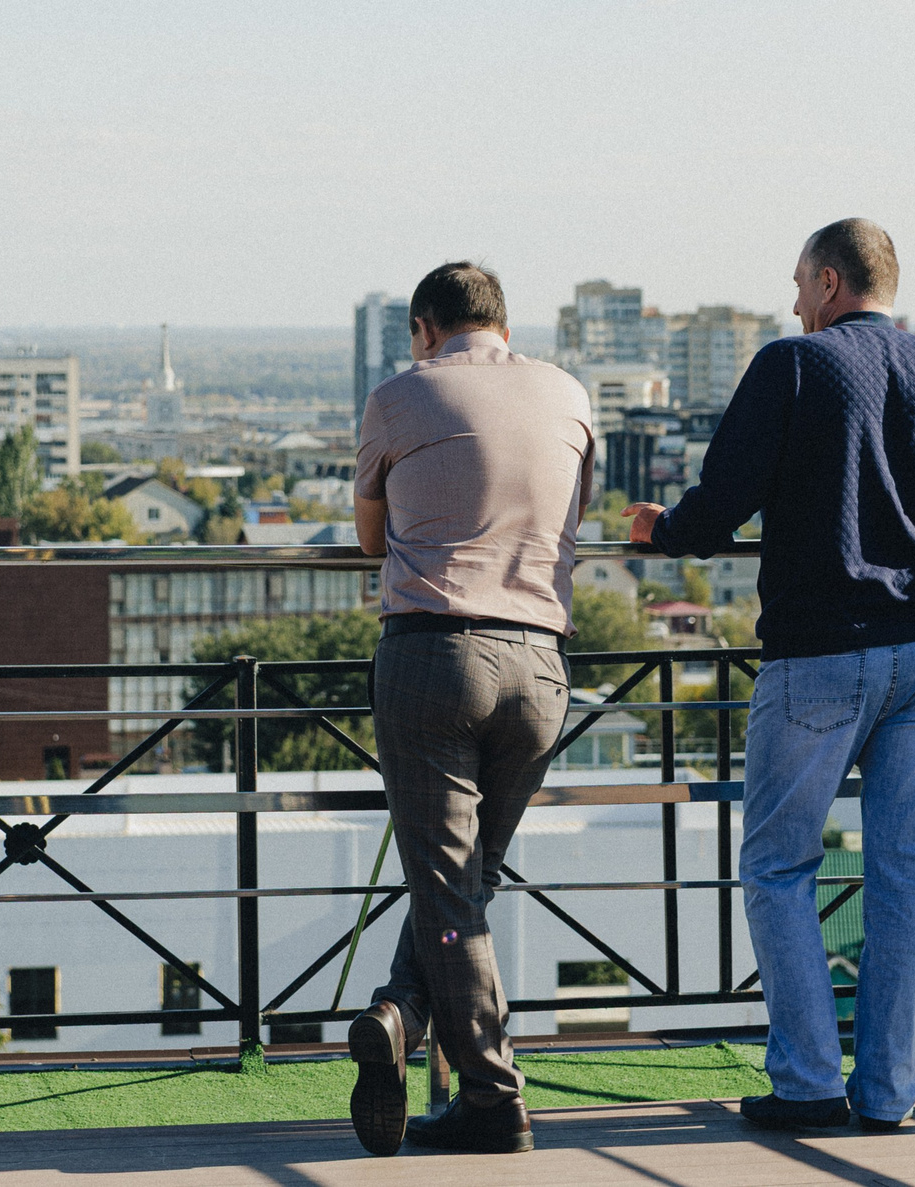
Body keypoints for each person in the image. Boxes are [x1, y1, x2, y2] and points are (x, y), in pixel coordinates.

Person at [627, 218, 915, 1135]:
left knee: (776, 864)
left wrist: (663, 530)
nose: (795, 301)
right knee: (906, 882)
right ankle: (887, 1096)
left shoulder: (793, 366)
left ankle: (808, 1081)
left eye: (801, 283)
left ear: (834, 280)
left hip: (817, 656)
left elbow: (721, 501)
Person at [345, 260, 596, 1158]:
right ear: (503, 323)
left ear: (424, 328)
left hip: (434, 657)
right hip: (542, 663)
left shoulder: (399, 397)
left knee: (449, 885)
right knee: (468, 879)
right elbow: (573, 517)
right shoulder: (568, 394)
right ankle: (402, 1012)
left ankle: (492, 1096)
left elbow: (373, 537)